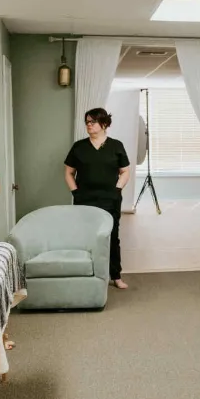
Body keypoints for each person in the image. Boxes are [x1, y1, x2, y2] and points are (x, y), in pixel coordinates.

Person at [64, 107, 131, 289]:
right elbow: (69, 172)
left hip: (110, 199)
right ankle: (87, 273)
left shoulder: (116, 146)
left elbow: (125, 171)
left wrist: (117, 189)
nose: (89, 125)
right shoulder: (79, 147)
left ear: (104, 124)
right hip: (84, 199)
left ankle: (115, 275)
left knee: (112, 236)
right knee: (85, 236)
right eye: (87, 122)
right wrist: (75, 192)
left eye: (92, 122)